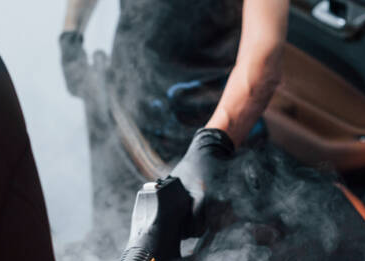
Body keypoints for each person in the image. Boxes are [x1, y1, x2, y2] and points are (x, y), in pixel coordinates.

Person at [60, 0, 290, 220]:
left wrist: (210, 147)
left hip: (215, 130)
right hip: (125, 118)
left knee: (212, 244)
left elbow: (263, 57)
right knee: (113, 232)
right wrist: (71, 34)